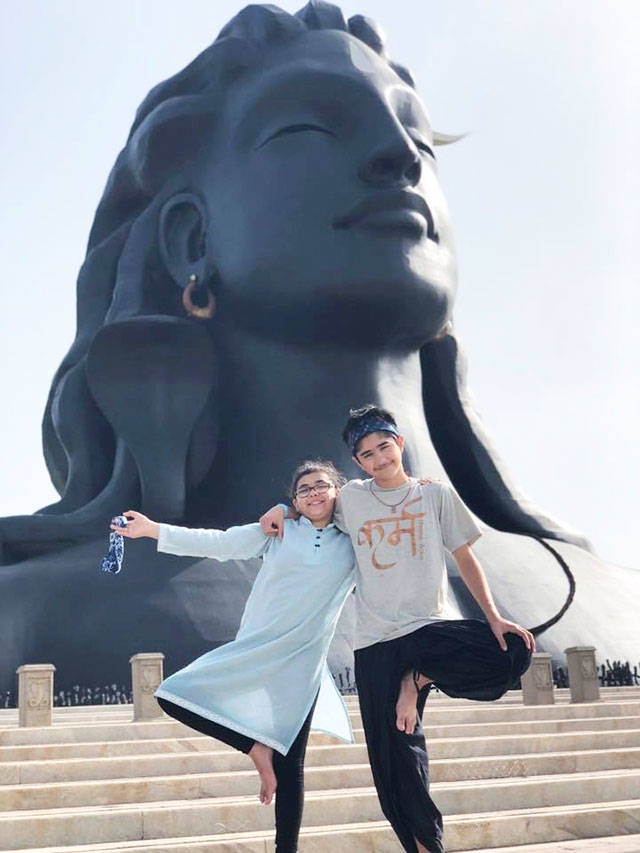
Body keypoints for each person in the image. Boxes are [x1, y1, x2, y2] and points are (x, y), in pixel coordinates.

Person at [260, 404, 535, 853]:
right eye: (367, 454)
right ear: (358, 462)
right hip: (375, 642)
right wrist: (277, 507)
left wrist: (494, 617)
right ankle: (425, 846)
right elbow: (313, 504)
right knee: (394, 759)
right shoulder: (351, 498)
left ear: (399, 444)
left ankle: (420, 677)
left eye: (384, 447)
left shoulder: (435, 495)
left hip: (429, 629)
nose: (378, 458)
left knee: (513, 650)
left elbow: (465, 557)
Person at [111, 459, 355, 853]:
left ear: (338, 491)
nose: (313, 493)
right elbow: (218, 543)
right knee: (172, 694)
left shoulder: (352, 541)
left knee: (292, 768)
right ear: (294, 499)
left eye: (321, 485)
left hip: (302, 664)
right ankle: (255, 746)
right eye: (304, 488)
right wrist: (152, 529)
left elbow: (383, 516)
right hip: (255, 649)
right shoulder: (278, 530)